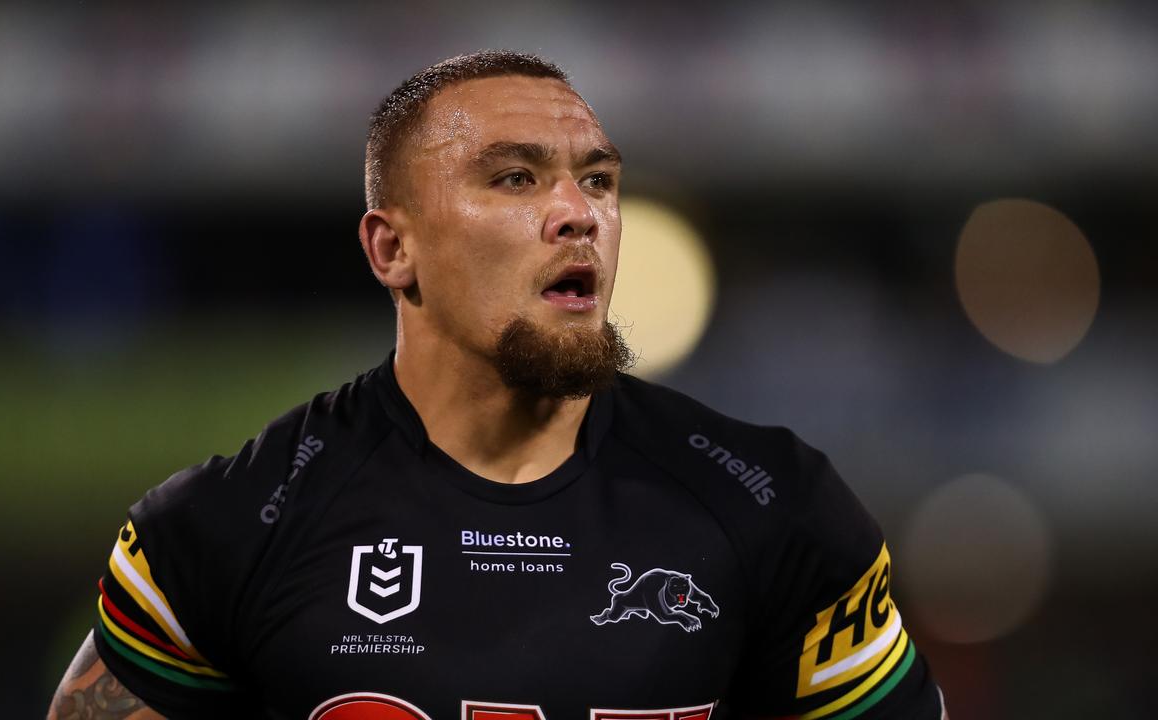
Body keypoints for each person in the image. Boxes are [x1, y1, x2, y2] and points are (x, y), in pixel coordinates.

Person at [48, 50, 947, 720]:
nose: (579, 214)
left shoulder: (777, 509)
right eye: (515, 178)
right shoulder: (229, 526)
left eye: (598, 181)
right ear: (391, 248)